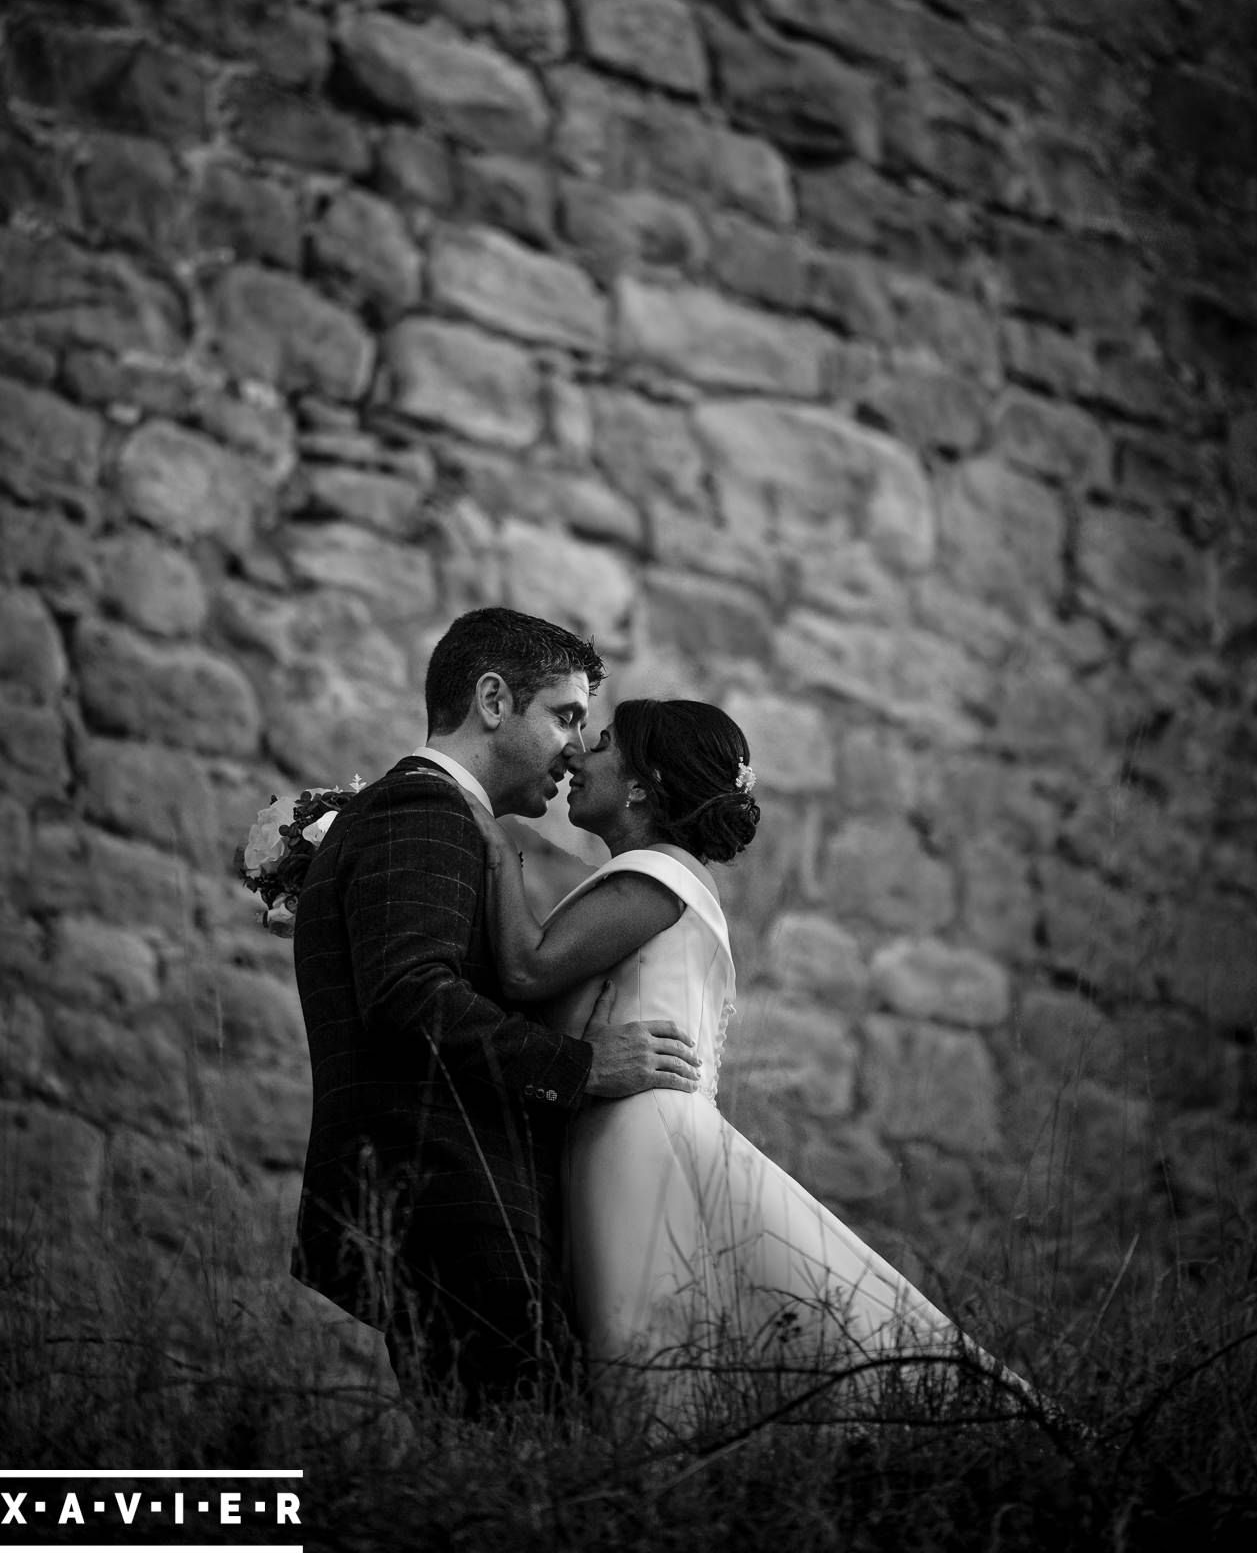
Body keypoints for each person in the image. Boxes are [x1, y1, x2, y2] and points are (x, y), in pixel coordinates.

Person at [468, 696, 1032, 1423]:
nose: (578, 755)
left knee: (643, 1343)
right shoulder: (659, 876)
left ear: (643, 783)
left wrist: (490, 844)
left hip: (636, 1136)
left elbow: (525, 973)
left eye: (603, 742)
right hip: (623, 1127)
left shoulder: (657, 874)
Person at [289, 610, 701, 1415]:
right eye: (566, 716)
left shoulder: (427, 817)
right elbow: (413, 999)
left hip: (442, 1203)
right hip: (457, 1202)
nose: (577, 748)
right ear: (491, 700)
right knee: (527, 1475)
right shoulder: (425, 812)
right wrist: (584, 1067)